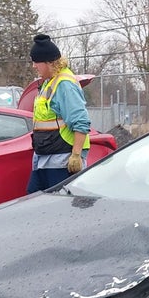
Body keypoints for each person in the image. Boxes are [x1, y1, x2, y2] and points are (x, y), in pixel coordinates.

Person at [26, 33, 92, 193]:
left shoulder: (65, 85)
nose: (34, 66)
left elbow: (81, 122)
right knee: (34, 201)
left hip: (62, 160)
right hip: (46, 158)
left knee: (58, 207)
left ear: (48, 62)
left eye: (36, 62)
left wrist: (76, 155)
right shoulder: (50, 82)